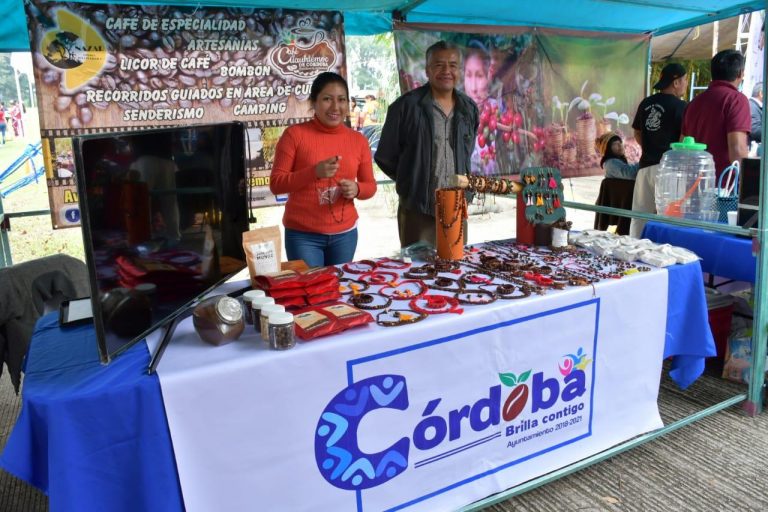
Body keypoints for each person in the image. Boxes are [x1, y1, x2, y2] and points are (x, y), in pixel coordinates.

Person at [375, 40, 479, 248]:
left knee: (455, 270)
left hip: (457, 206)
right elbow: (385, 156)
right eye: (439, 65)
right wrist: (412, 180)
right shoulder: (406, 107)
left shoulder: (469, 108)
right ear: (427, 70)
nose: (446, 71)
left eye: (452, 65)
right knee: (418, 270)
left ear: (459, 70)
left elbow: (467, 151)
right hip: (418, 209)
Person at [269, 72, 376, 267]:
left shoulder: (358, 140)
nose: (336, 107)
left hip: (345, 234)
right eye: (327, 99)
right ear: (313, 102)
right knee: (311, 292)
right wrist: (314, 172)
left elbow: (370, 186)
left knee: (339, 289)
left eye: (341, 100)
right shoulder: (294, 135)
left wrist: (357, 189)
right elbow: (276, 184)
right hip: (303, 236)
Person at [629, 62, 688, 238]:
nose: (685, 83)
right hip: (669, 170)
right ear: (676, 82)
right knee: (668, 219)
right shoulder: (681, 106)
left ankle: (634, 253)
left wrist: (650, 147)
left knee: (640, 217)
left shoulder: (646, 103)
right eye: (685, 80)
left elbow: (637, 133)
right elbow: (683, 138)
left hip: (645, 168)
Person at [681, 49, 751, 179]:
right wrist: (745, 184)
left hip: (693, 184)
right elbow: (737, 148)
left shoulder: (693, 103)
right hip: (723, 187)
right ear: (740, 73)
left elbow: (682, 145)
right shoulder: (736, 100)